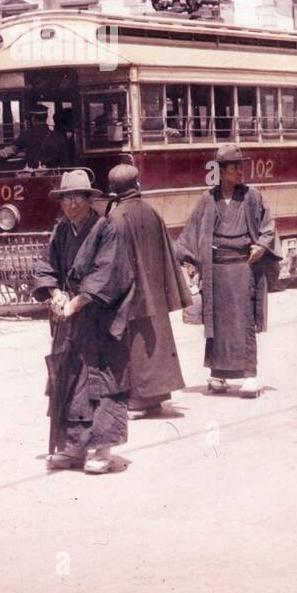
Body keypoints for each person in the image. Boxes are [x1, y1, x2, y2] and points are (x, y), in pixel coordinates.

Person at [31, 169, 134, 474]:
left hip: (100, 318)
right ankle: (73, 447)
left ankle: (101, 449)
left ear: (90, 200)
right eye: (66, 198)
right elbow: (46, 266)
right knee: (71, 380)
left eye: (78, 197)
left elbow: (107, 273)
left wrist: (77, 302)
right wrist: (55, 293)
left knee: (102, 383)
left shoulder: (107, 230)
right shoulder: (62, 231)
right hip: (70, 318)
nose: (72, 204)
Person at [176, 143, 279, 398]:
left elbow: (268, 227)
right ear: (222, 171)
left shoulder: (252, 197)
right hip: (215, 269)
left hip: (243, 267)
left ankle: (249, 375)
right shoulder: (207, 199)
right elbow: (190, 234)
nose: (240, 171)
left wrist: (262, 246)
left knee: (244, 321)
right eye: (235, 167)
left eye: (241, 166)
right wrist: (189, 262)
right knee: (217, 321)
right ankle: (218, 374)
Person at [104, 163, 190, 418]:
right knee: (155, 342)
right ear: (137, 185)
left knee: (136, 347)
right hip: (155, 290)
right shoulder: (151, 212)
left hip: (131, 293)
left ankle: (138, 401)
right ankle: (155, 399)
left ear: (113, 190)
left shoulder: (115, 218)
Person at [0, 104, 68, 169]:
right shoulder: (58, 137)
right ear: (47, 117)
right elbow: (65, 163)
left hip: (34, 178)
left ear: (33, 118)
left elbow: (11, 150)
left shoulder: (27, 135)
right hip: (53, 177)